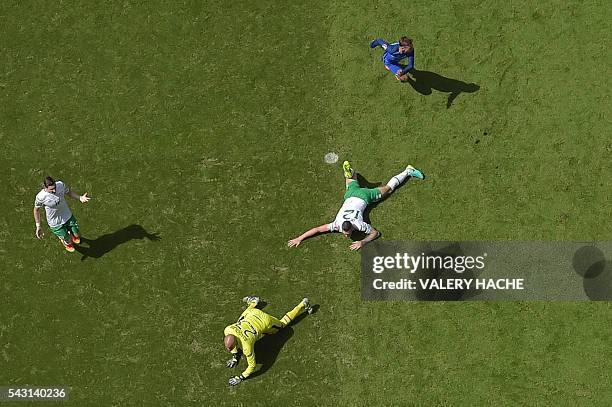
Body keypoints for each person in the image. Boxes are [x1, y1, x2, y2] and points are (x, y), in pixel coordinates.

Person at [288, 161, 424, 251]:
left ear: (352, 226)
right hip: (351, 195)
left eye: (348, 233)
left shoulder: (358, 225)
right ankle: (349, 172)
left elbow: (376, 233)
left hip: (363, 195)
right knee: (352, 178)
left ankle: (408, 171)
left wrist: (362, 242)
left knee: (388, 189)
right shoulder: (337, 224)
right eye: (346, 233)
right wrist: (299, 238)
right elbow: (317, 229)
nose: (347, 235)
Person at [224, 296, 313, 386]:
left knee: (282, 324)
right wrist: (235, 358)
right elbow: (232, 344)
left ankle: (302, 304)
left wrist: (240, 377)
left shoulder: (247, 347)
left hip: (264, 320)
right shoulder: (228, 330)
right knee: (241, 320)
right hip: (252, 313)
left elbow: (252, 366)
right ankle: (253, 303)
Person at [33, 176, 91, 252]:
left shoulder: (60, 185)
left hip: (67, 216)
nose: (54, 191)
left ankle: (73, 236)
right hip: (55, 223)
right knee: (67, 240)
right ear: (45, 187)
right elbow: (36, 210)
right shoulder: (40, 197)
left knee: (77, 234)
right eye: (51, 189)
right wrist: (38, 226)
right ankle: (67, 244)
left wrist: (80, 198)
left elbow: (69, 192)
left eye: (55, 188)